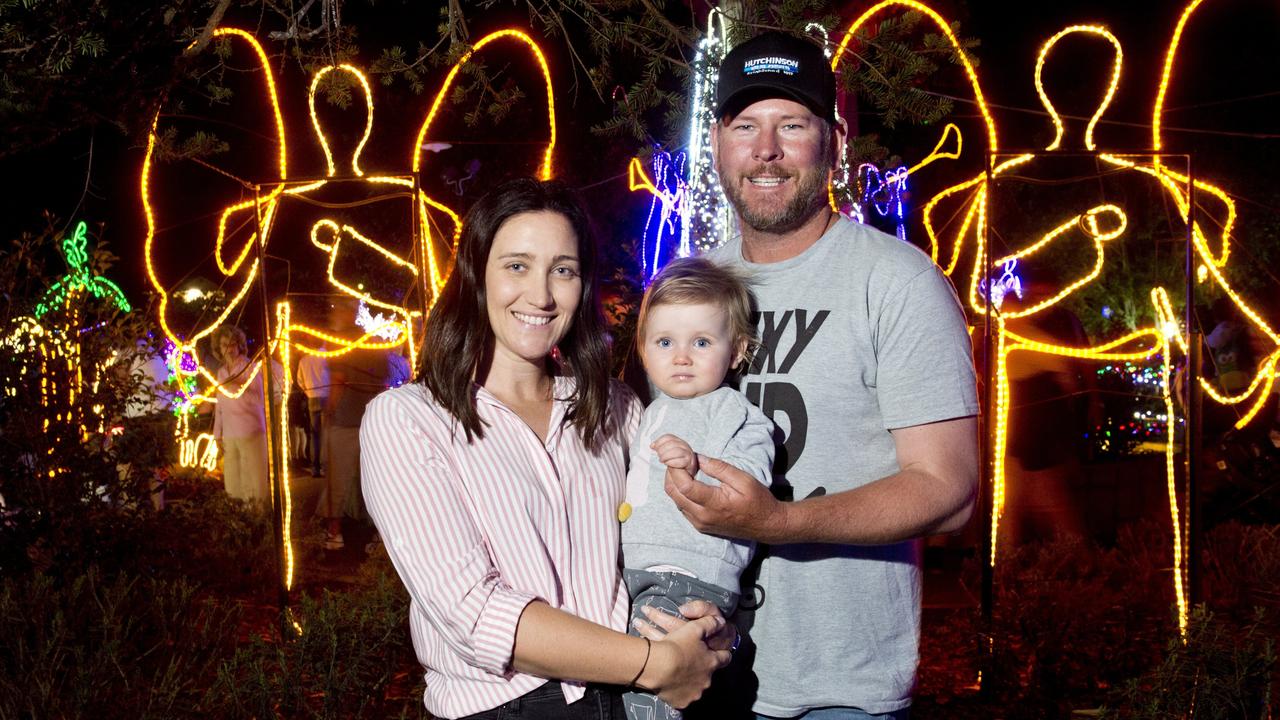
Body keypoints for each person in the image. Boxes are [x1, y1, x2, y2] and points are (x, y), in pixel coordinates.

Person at [668, 31, 980, 719]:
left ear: (833, 142)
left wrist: (779, 522)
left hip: (836, 691)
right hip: (694, 673)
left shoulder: (896, 281)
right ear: (718, 143)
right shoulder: (693, 288)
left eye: (792, 126)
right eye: (745, 126)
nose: (766, 150)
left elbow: (949, 491)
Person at [360, 178, 733, 720]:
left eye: (563, 269)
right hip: (509, 706)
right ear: (475, 276)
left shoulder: (615, 407)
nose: (540, 295)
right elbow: (473, 611)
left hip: (628, 701)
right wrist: (655, 663)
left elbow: (672, 535)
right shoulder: (408, 420)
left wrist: (712, 627)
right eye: (516, 265)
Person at [620, 256, 775, 720]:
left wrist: (697, 465)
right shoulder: (649, 411)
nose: (681, 356)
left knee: (652, 687)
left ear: (736, 351)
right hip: (643, 573)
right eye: (665, 342)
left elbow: (751, 487)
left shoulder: (733, 412)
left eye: (701, 342)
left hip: (689, 575)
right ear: (645, 350)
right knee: (635, 680)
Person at [211, 325, 283, 502]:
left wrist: (236, 387)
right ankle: (239, 520)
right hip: (230, 435)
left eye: (232, 344)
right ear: (218, 349)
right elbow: (219, 407)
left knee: (253, 482)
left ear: (240, 346)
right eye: (224, 345)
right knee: (233, 483)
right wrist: (217, 434)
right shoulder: (221, 372)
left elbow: (260, 400)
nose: (228, 349)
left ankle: (256, 519)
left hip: (250, 433)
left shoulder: (249, 367)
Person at [297, 347, 329, 477]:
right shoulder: (327, 356)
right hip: (326, 395)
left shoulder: (303, 360)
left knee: (314, 434)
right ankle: (325, 467)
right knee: (326, 432)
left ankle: (315, 467)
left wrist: (308, 391)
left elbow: (299, 380)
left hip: (312, 397)